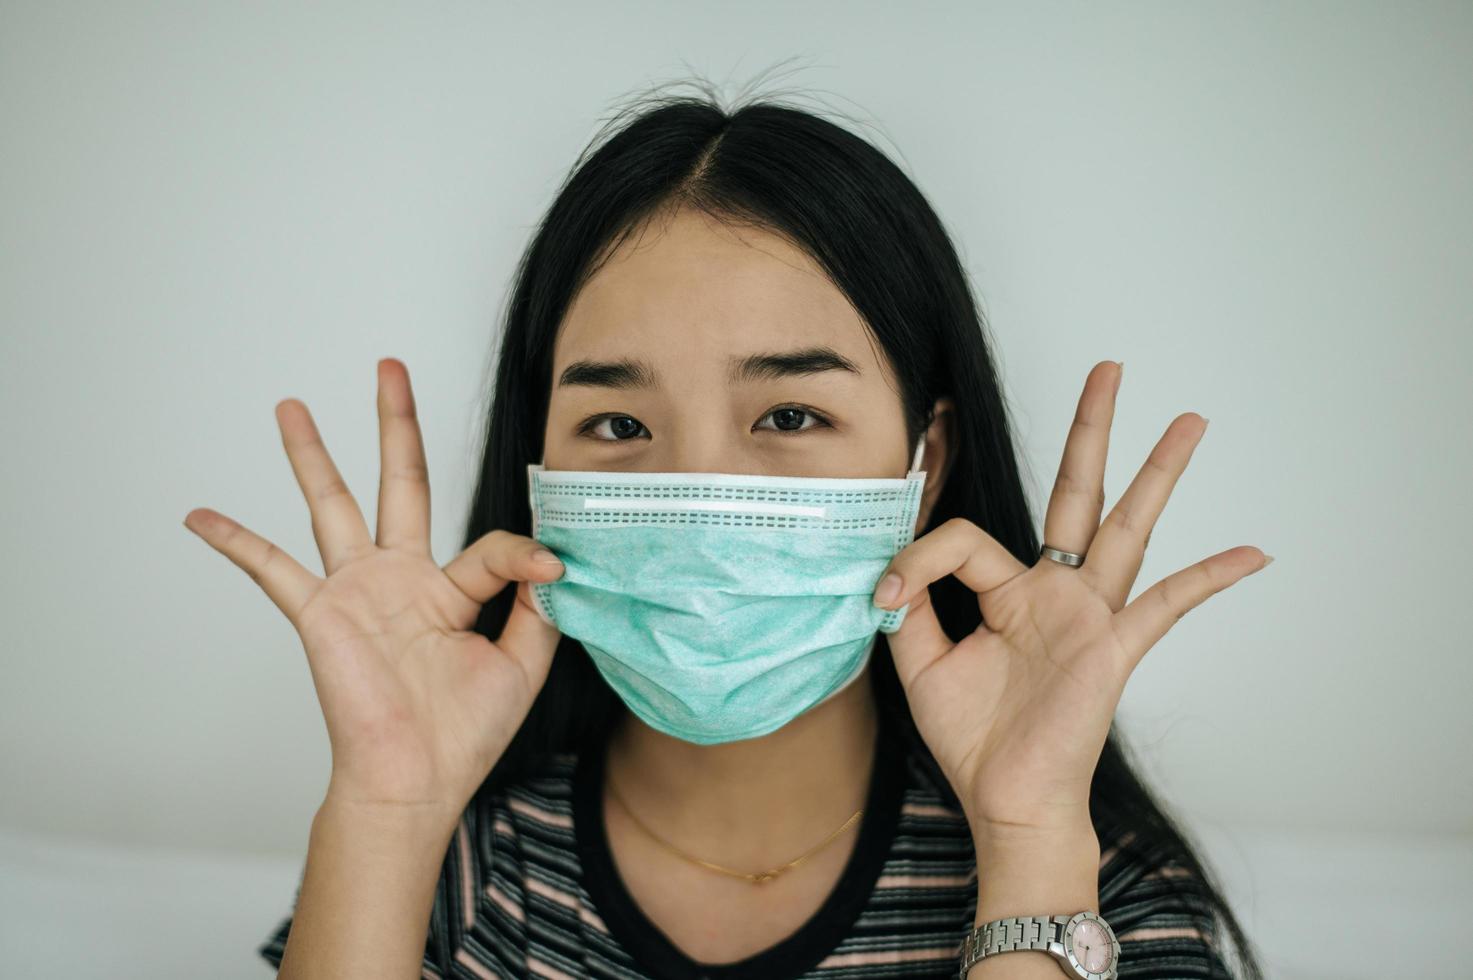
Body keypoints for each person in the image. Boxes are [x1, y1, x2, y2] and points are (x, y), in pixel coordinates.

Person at [185, 84, 1269, 979]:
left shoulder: (1098, 897)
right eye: (617, 422)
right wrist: (384, 811)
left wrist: (1031, 838)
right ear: (541, 469)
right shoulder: (459, 871)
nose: (700, 489)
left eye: (790, 415)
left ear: (924, 463)